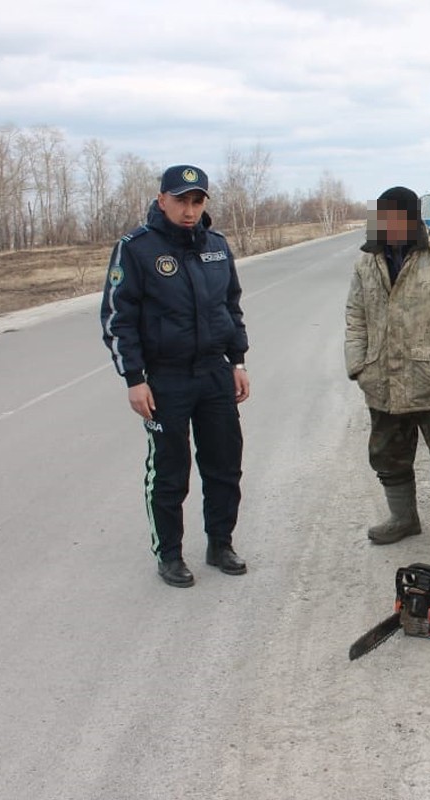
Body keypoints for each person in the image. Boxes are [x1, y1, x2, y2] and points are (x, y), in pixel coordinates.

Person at [100, 164, 251, 588]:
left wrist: (237, 362)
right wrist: (134, 378)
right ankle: (169, 554)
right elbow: (118, 318)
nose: (189, 210)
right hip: (165, 380)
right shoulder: (136, 248)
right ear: (162, 199)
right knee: (169, 470)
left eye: (197, 201)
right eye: (181, 200)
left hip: (214, 375)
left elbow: (231, 307)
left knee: (224, 465)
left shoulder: (217, 247)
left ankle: (220, 544)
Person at [344, 186, 430, 553]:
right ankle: (403, 518)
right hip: (382, 381)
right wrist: (358, 364)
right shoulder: (368, 259)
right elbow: (356, 316)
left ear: (412, 220)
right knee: (387, 454)